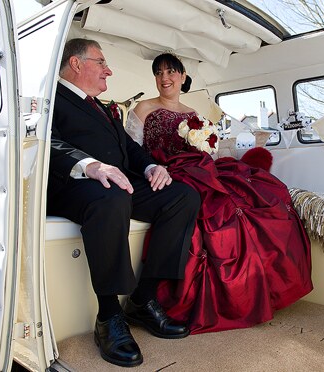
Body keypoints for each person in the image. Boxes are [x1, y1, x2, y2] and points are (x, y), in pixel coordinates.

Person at [127, 53, 313, 334]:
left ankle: (257, 288)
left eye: (170, 72)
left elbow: (205, 149)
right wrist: (154, 169)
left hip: (197, 168)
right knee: (208, 211)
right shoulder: (142, 108)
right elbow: (132, 152)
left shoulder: (193, 114)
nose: (165, 78)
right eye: (159, 73)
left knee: (259, 195)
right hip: (164, 171)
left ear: (182, 76)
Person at [47, 39, 201, 368]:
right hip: (73, 185)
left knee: (182, 196)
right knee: (112, 198)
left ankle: (143, 300)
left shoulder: (101, 107)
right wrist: (88, 164)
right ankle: (109, 315)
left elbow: (130, 148)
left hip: (118, 182)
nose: (109, 70)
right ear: (76, 64)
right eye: (101, 62)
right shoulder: (48, 97)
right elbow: (45, 142)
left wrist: (150, 167)